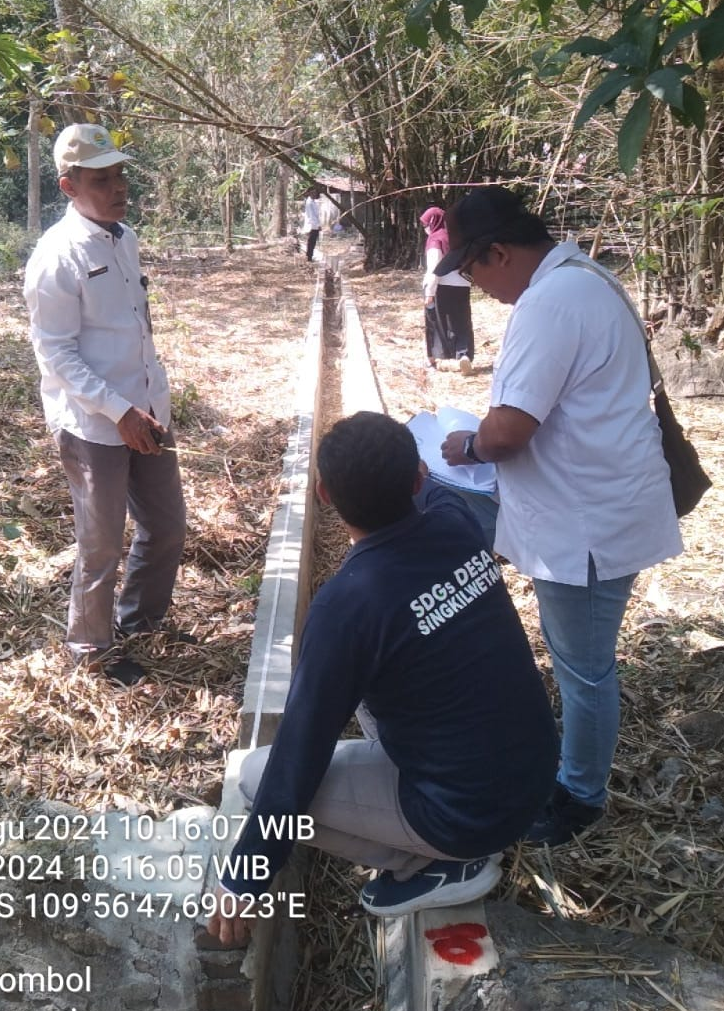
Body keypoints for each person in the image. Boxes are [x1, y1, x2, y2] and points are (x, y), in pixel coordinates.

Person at [206, 411, 558, 947]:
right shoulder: (456, 524)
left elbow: (298, 755)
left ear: (324, 495)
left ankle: (434, 864)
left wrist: (244, 875)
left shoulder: (348, 604)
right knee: (377, 680)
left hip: (464, 816)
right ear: (419, 478)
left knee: (255, 778)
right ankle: (439, 834)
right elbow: (441, 494)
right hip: (532, 777)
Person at [437, 186, 682, 845]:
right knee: (583, 659)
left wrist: (464, 445)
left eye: (472, 269)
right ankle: (573, 773)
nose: (476, 286)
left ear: (498, 253)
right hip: (591, 500)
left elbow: (510, 430)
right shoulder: (586, 278)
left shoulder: (549, 303)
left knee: (584, 666)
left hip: (587, 522)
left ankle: (579, 795)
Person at [23, 124, 187, 686]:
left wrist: (148, 401)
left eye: (119, 175)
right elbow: (56, 354)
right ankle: (90, 650)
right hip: (96, 424)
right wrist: (118, 411)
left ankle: (140, 621)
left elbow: (134, 327)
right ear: (70, 186)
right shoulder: (57, 256)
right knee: (100, 546)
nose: (117, 188)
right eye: (101, 180)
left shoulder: (123, 236)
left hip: (146, 410)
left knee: (166, 527)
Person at [420, 206, 474, 373]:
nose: (425, 228)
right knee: (461, 320)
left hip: (442, 285)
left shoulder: (436, 239)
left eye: (425, 224)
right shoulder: (458, 237)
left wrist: (430, 291)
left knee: (439, 323)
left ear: (433, 222)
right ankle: (463, 354)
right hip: (463, 284)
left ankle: (440, 358)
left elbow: (434, 268)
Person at [301, 186, 322, 262]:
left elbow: (316, 215)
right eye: (312, 193)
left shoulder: (313, 202)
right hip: (312, 226)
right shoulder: (309, 202)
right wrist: (317, 225)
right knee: (311, 243)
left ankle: (310, 256)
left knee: (312, 243)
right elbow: (312, 216)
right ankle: (309, 257)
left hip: (314, 225)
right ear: (309, 193)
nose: (314, 194)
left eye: (315, 192)